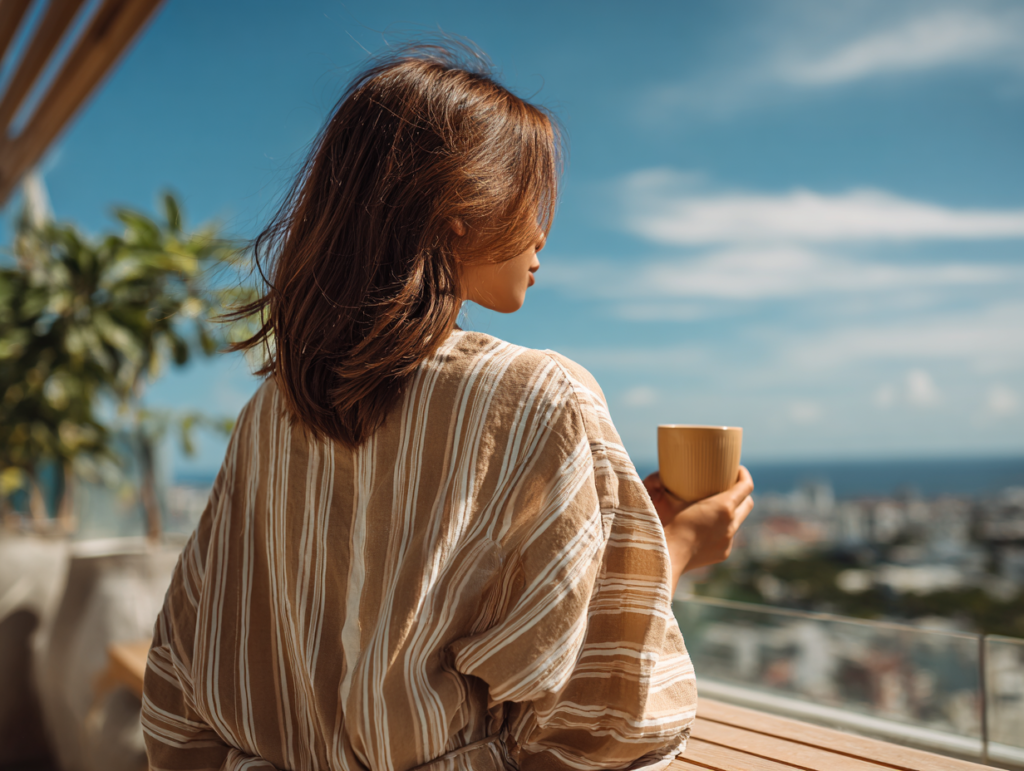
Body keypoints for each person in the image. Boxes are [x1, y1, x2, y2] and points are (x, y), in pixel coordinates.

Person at [141, 41, 754, 771]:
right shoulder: (540, 399)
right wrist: (675, 549)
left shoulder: (274, 412)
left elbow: (180, 675)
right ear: (460, 209)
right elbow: (600, 721)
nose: (542, 236)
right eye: (534, 199)